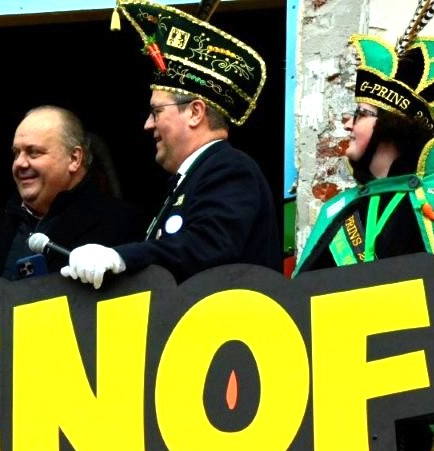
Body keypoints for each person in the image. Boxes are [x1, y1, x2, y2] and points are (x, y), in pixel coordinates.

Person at [294, 23, 434, 416]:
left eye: (361, 114)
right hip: (352, 410)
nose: (347, 123)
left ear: (393, 124)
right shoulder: (340, 208)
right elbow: (301, 301)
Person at [61, 1, 280, 289]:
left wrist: (122, 257)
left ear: (195, 112)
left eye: (156, 112)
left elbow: (208, 246)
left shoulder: (230, 167)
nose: (147, 124)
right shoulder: (193, 178)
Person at [0, 106, 144, 282]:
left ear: (74, 158)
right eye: (16, 153)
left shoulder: (122, 225)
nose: (19, 163)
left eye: (33, 152)